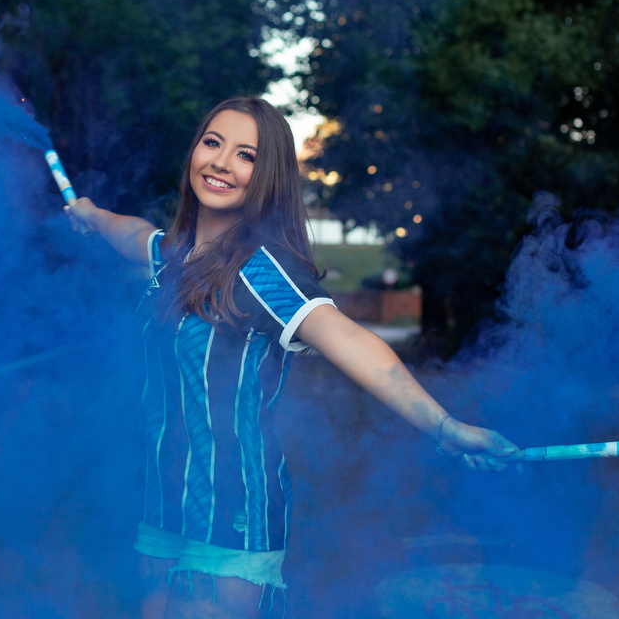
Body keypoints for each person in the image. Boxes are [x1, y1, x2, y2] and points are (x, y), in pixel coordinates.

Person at [65, 96, 519, 619]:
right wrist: (90, 214)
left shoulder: (261, 271)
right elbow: (133, 234)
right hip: (162, 502)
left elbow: (348, 339)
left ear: (268, 177)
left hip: (233, 511)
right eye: (212, 143)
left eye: (246, 155)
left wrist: (443, 424)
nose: (220, 162)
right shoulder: (176, 256)